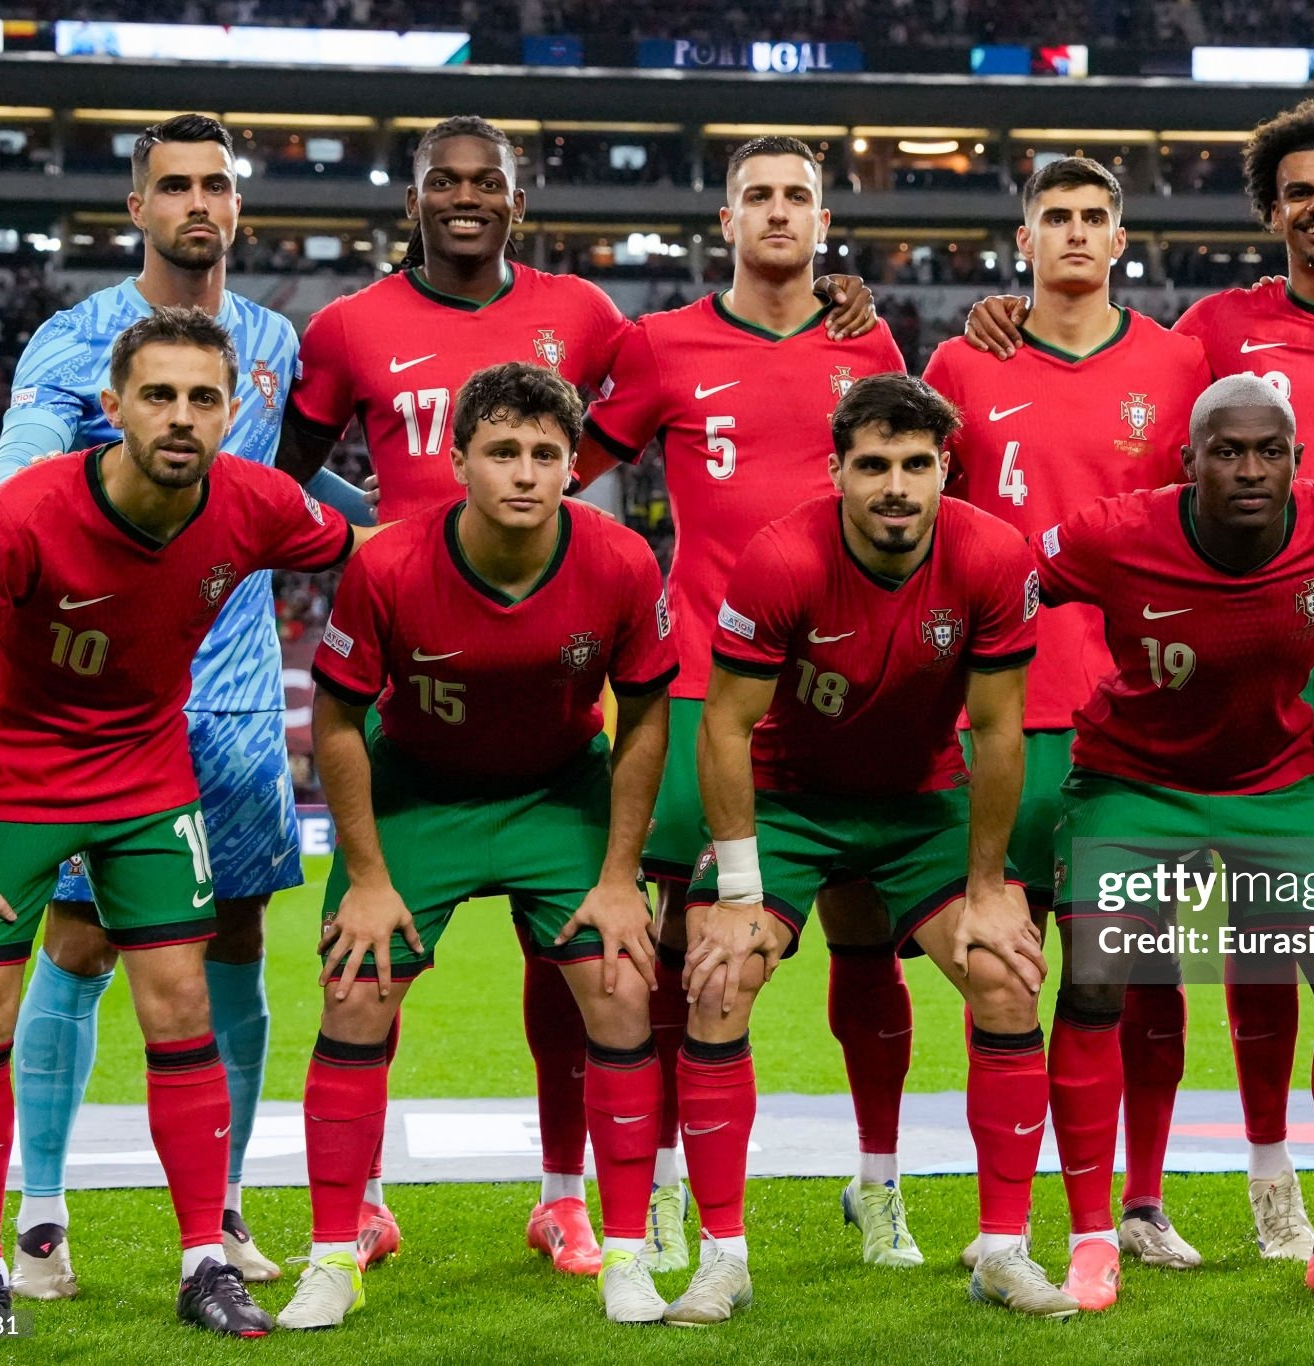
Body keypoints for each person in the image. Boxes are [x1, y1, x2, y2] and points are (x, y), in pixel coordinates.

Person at [279, 116, 880, 1276]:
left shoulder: (596, 321)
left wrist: (834, 291)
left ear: (519, 196)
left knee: (583, 959)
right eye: (444, 182)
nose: (466, 198)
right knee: (370, 963)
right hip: (418, 662)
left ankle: (568, 1198)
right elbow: (287, 471)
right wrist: (373, 538)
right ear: (411, 196)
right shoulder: (348, 325)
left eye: (488, 181)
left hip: (558, 690)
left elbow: (681, 383)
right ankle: (351, 1204)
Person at [969, 99, 1314, 1266]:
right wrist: (1011, 317)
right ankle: (1269, 1184)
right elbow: (1147, 435)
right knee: (1258, 940)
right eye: (1295, 189)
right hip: (1247, 668)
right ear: (1269, 208)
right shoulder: (1208, 330)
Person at [0, 307, 370, 1350]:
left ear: (230, 413)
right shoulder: (26, 513)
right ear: (111, 407)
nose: (180, 416)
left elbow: (371, 546)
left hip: (144, 773)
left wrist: (509, 521)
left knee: (177, 999)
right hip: (12, 777)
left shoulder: (255, 501)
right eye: (158, 395)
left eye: (202, 398)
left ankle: (202, 1260)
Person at [0, 114, 374, 1297]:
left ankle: (228, 1202)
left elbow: (292, 488)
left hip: (237, 693)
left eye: (218, 184)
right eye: (175, 185)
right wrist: (16, 513)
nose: (199, 202)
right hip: (97, 695)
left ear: (238, 207)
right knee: (82, 939)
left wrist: (421, 541)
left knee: (238, 940)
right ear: (137, 208)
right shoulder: (80, 336)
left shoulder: (272, 340)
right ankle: (42, 1213)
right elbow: (23, 462)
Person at [660, 373, 1071, 1323]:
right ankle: (723, 1256)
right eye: (875, 464)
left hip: (919, 802)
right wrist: (738, 885)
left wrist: (989, 886)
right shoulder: (780, 558)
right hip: (787, 800)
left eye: (917, 465)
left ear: (945, 474)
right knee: (719, 979)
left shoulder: (992, 556)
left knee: (1007, 972)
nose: (896, 485)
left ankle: (1003, 1248)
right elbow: (723, 727)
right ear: (836, 471)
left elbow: (1000, 731)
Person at [277, 363, 678, 1328]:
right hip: (419, 790)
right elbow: (335, 724)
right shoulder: (388, 565)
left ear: (572, 465)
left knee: (623, 987)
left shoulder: (623, 560)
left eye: (547, 454)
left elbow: (648, 718)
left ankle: (626, 1251)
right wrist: (366, 877)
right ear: (458, 461)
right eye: (503, 452)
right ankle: (336, 1254)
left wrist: (622, 877)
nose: (527, 473)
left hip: (556, 792)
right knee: (356, 989)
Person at [576, 136, 916, 1272]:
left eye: (798, 198)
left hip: (848, 694)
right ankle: (671, 1184)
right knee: (687, 956)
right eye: (757, 196)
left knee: (864, 941)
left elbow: (909, 484)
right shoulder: (659, 345)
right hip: (696, 690)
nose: (778, 213)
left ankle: (878, 1183)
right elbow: (562, 471)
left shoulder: (866, 339)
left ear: (825, 221)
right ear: (724, 220)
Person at [1037, 373, 1314, 1311]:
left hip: (1277, 782)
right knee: (1094, 979)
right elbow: (999, 582)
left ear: (1299, 462)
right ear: (1189, 463)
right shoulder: (1114, 532)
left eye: (1269, 452)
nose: (1249, 469)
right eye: (1227, 450)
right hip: (1133, 781)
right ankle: (1093, 1240)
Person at [920, 155, 1211, 1303]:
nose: (1077, 233)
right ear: (1023, 238)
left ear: (1122, 236)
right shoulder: (960, 360)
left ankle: (1137, 1203)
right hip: (992, 712)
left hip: (1132, 719)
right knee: (1000, 966)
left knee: (1138, 976)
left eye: (1096, 215)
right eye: (1056, 218)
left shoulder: (1180, 362)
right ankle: (1004, 1221)